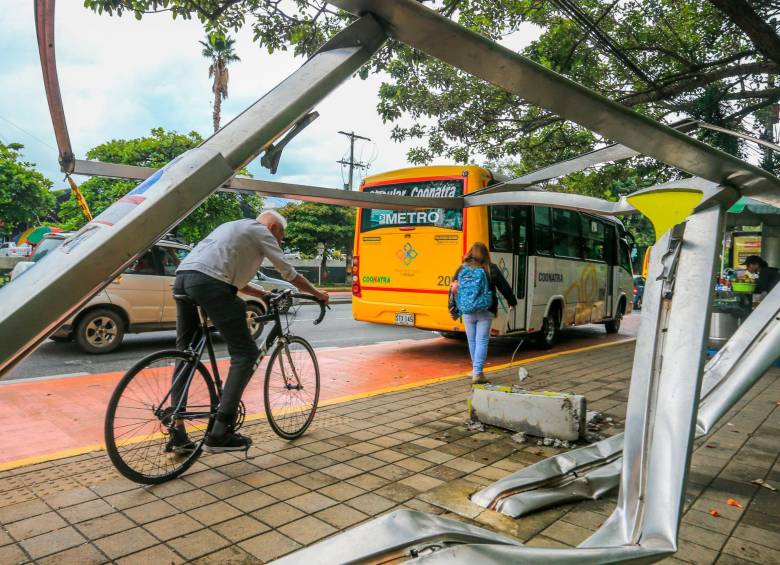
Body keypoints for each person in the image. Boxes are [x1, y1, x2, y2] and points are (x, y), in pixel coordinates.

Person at [171, 211, 329, 453]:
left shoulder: (232, 226)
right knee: (245, 355)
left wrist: (264, 294)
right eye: (281, 237)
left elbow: (237, 281)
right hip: (209, 284)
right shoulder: (261, 230)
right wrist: (317, 294)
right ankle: (220, 432)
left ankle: (177, 431)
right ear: (274, 226)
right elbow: (289, 273)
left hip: (183, 279)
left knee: (186, 352)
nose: (280, 242)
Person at [450, 242, 517, 384]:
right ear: (486, 254)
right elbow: (504, 287)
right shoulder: (490, 268)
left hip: (467, 309)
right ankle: (478, 372)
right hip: (486, 309)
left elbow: (453, 286)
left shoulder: (462, 268)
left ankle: (476, 370)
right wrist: (512, 301)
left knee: (472, 340)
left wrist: (454, 307)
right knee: (481, 340)